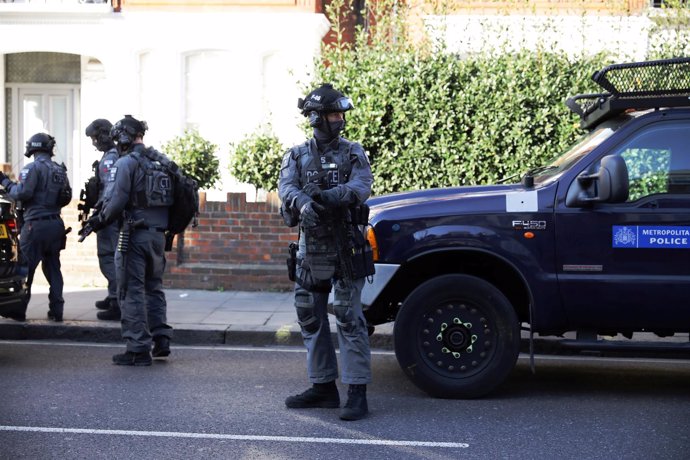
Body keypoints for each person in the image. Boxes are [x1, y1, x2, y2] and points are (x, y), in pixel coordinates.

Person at [278, 83, 375, 421]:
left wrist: (329, 197)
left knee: (349, 317)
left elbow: (362, 186)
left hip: (346, 245)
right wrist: (303, 201)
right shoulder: (297, 154)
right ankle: (323, 388)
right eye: (334, 114)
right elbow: (286, 186)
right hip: (311, 247)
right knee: (309, 313)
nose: (340, 120)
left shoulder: (353, 152)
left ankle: (357, 392)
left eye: (340, 114)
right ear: (317, 118)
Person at [86, 115, 173, 366]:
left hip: (133, 235)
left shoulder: (126, 163)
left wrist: (98, 221)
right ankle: (161, 340)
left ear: (123, 136)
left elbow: (116, 201)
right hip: (158, 235)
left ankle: (137, 349)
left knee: (130, 290)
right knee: (154, 288)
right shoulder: (161, 162)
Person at [0, 132, 72, 322]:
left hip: (35, 226)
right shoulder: (59, 170)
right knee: (54, 268)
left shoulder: (32, 168)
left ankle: (19, 311)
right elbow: (66, 197)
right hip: (56, 224)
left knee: (26, 269)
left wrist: (5, 182)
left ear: (33, 147)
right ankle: (57, 310)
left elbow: (21, 193)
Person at [84, 118, 122, 321]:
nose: (94, 142)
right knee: (111, 256)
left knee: (108, 256)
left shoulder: (110, 159)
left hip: (109, 216)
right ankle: (113, 295)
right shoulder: (114, 155)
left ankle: (117, 302)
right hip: (112, 214)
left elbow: (109, 189)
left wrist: (99, 215)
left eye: (95, 137)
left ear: (106, 135)